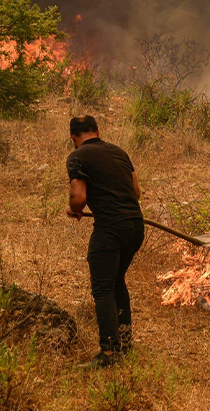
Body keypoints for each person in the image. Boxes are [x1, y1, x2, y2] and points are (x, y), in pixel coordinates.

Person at [65, 115, 144, 367]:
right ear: (98, 131)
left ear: (73, 138)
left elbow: (78, 197)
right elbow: (136, 192)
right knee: (116, 281)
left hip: (110, 229)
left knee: (102, 288)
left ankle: (109, 353)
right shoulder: (119, 152)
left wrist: (74, 208)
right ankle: (125, 342)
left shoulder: (78, 156)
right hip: (135, 226)